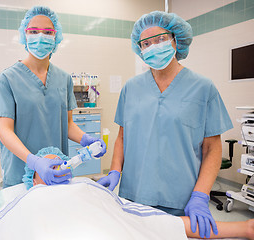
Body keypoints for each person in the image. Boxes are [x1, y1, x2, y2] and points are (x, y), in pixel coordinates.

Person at [97, 11, 233, 239]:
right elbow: (122, 137)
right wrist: (114, 171)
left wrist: (200, 195)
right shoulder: (131, 88)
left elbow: (212, 149)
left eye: (159, 39)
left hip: (182, 198)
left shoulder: (203, 88)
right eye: (146, 43)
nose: (152, 47)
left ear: (175, 39)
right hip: (135, 195)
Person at [0, 148, 254, 240]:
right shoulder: (27, 196)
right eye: (48, 165)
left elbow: (144, 219)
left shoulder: (84, 186)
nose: (56, 168)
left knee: (153, 223)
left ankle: (244, 228)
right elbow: (1, 224)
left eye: (60, 163)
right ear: (33, 175)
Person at [0, 6, 106, 189]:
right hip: (21, 172)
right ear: (24, 36)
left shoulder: (63, 78)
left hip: (56, 169)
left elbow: (67, 124)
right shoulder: (7, 79)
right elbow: (5, 131)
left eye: (47, 32)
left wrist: (87, 140)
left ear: (56, 37)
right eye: (34, 31)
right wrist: (34, 162)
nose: (40, 36)